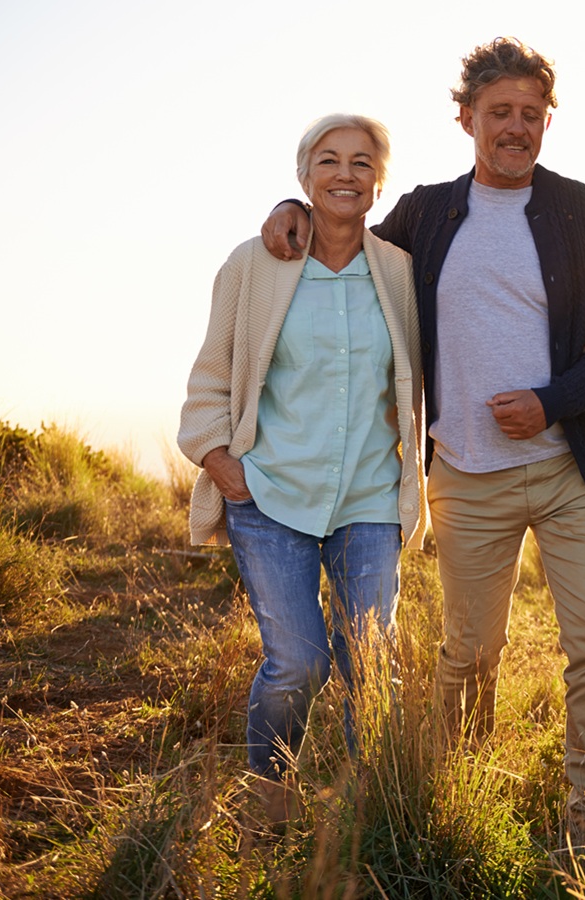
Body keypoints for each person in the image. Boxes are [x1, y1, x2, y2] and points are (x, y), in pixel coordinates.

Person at [259, 37, 585, 853]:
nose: (515, 127)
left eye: (530, 114)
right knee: (468, 653)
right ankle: (460, 790)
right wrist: (289, 211)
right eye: (499, 112)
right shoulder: (427, 212)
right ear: (466, 116)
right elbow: (344, 235)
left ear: (547, 120)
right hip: (465, 475)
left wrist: (551, 401)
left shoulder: (581, 208)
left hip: (570, 471)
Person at [179, 114, 423, 825]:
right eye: (327, 160)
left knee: (369, 665)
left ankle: (370, 810)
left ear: (380, 180)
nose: (344, 174)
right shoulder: (253, 265)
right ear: (303, 176)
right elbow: (213, 373)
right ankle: (270, 795)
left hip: (369, 498)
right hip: (271, 494)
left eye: (360, 162)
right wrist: (220, 461)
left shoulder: (401, 272)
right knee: (299, 663)